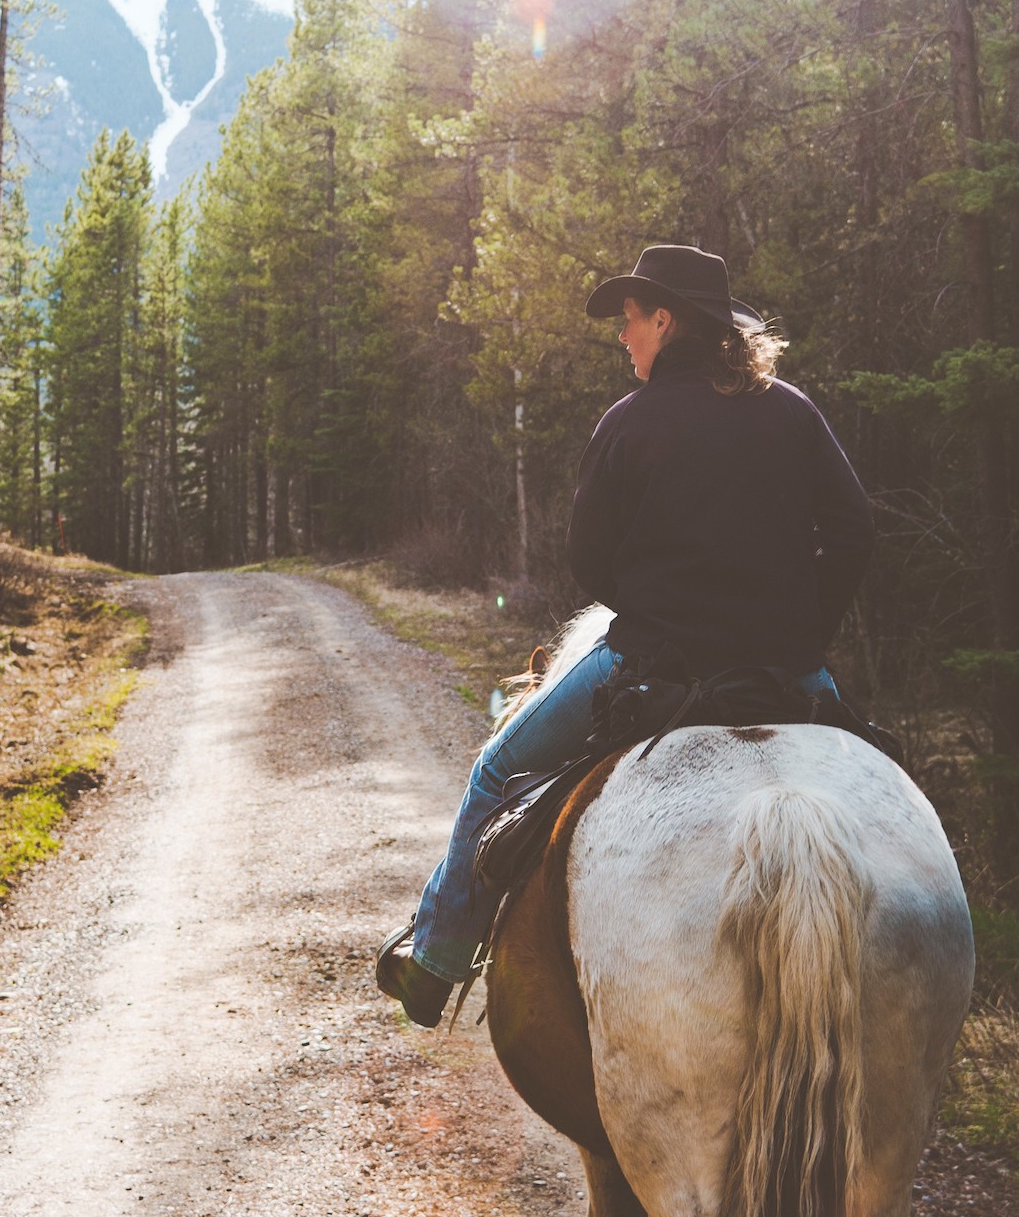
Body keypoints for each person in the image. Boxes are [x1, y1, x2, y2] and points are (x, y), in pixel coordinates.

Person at [376, 244, 880, 1025]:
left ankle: (436, 960)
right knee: (887, 783)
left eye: (632, 318)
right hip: (790, 670)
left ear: (666, 320)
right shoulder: (792, 409)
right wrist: (801, 626)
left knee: (496, 771)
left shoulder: (628, 423)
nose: (623, 335)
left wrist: (656, 607)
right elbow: (852, 531)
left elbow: (588, 560)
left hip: (655, 666)